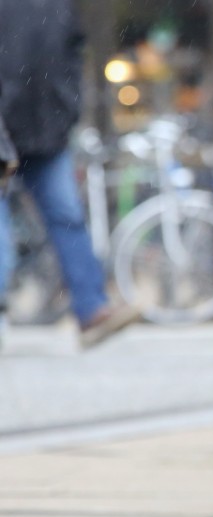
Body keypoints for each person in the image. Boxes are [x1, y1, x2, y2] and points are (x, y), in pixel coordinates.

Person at [0, 0, 141, 349]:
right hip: (11, 128)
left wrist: (68, 107)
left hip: (48, 131)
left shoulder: (58, 4)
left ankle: (92, 309)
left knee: (68, 217)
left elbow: (73, 53)